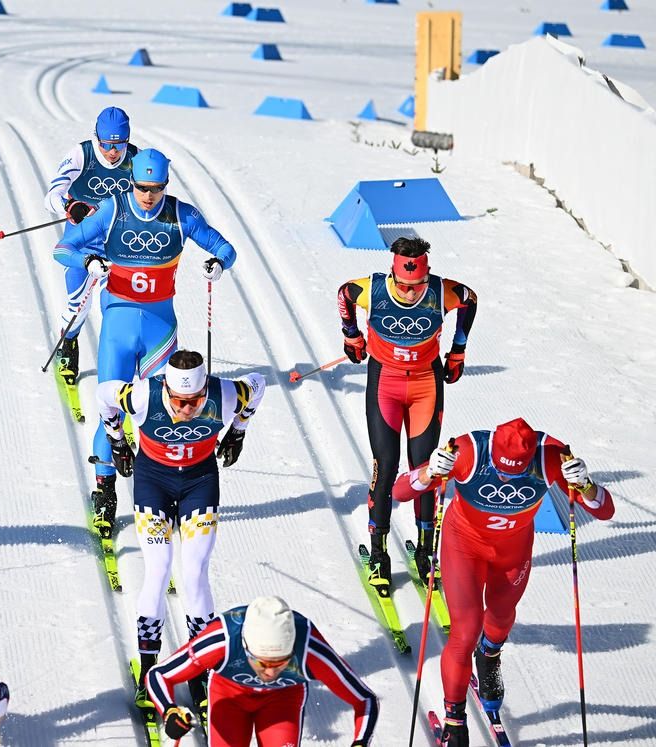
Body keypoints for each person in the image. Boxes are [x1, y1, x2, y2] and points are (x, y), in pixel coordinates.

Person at [392, 418, 614, 747]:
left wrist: (585, 485)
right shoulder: (469, 450)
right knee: (465, 631)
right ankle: (455, 722)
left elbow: (605, 511)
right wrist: (429, 472)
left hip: (513, 550)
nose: (507, 479)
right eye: (501, 471)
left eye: (516, 472)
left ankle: (489, 655)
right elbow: (400, 491)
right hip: (464, 546)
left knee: (501, 615)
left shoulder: (550, 456)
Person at [55, 148, 237, 538]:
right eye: (141, 187)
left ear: (166, 185)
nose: (148, 196)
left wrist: (218, 264)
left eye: (156, 188)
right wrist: (88, 262)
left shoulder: (181, 215)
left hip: (160, 329)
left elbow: (226, 248)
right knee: (111, 408)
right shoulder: (112, 209)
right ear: (132, 182)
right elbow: (63, 248)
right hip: (118, 328)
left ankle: (168, 493)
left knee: (167, 410)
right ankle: (105, 491)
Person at [96, 349, 265, 714]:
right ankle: (148, 670)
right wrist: (117, 440)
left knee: (194, 573)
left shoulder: (224, 394)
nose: (188, 409)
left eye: (196, 401)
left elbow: (258, 383)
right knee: (158, 570)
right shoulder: (143, 395)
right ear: (166, 390)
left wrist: (239, 430)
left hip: (199, 483)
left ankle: (199, 671)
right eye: (179, 401)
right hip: (153, 482)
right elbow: (103, 394)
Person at [336, 236, 477, 584]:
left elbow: (470, 300)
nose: (411, 292)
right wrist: (351, 335)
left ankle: (426, 551)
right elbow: (344, 294)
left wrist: (458, 350)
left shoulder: (441, 291)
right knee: (385, 467)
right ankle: (379, 554)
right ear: (393, 274)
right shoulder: (373, 290)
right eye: (403, 285)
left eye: (417, 285)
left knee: (426, 469)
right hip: (385, 383)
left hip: (426, 384)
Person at [146, 596, 378, 746]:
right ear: (246, 647)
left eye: (280, 663)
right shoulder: (222, 640)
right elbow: (159, 674)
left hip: (282, 701)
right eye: (261, 662)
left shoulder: (310, 649)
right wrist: (169, 711)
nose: (269, 673)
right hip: (230, 697)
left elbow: (365, 699)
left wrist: (360, 742)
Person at [44, 106, 140, 379]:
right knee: (78, 306)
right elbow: (52, 195)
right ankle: (68, 342)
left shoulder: (136, 158)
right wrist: (68, 205)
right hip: (83, 243)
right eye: (106, 144)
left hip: (118, 244)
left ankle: (120, 357)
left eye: (119, 144)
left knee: (117, 305)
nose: (113, 152)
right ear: (96, 138)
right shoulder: (81, 154)